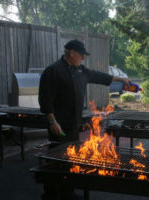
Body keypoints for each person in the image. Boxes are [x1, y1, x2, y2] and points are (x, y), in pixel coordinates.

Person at [38, 39, 130, 200]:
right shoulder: (53, 70)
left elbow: (99, 76)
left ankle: (68, 192)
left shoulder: (80, 70)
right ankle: (51, 194)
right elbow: (45, 98)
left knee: (71, 157)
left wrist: (120, 80)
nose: (83, 58)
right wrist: (52, 121)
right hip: (59, 124)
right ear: (72, 53)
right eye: (82, 55)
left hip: (74, 123)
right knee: (55, 159)